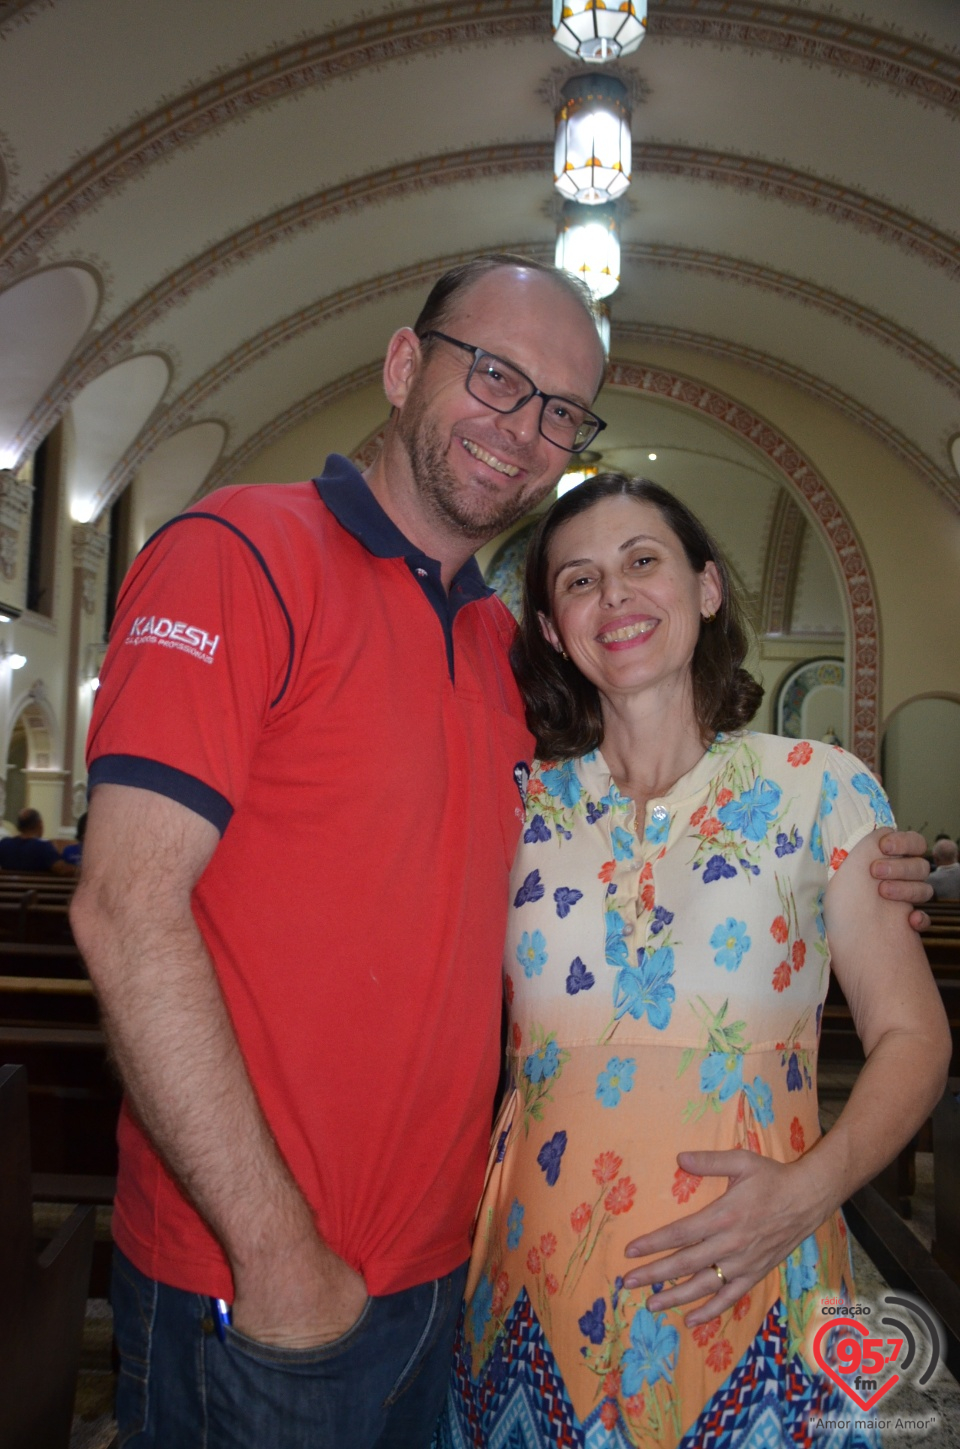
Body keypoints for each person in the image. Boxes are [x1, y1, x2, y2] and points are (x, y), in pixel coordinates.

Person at [69, 259, 932, 1449]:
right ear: (403, 364)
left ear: (707, 588)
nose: (524, 426)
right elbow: (124, 907)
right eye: (495, 375)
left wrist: (878, 864)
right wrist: (277, 1257)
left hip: (456, 1280)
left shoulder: (493, 660)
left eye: (562, 408)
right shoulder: (239, 550)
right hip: (266, 1270)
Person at [439, 476, 950, 1448]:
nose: (616, 595)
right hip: (538, 1274)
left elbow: (913, 1035)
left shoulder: (819, 790)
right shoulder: (515, 801)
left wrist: (810, 1192)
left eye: (643, 561)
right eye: (579, 580)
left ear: (707, 588)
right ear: (552, 630)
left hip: (756, 1264)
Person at [0, 807, 76, 875]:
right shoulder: (44, 847)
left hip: (8, 890)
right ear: (40, 824)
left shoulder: (4, 844)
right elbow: (61, 869)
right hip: (36, 890)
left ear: (19, 826)